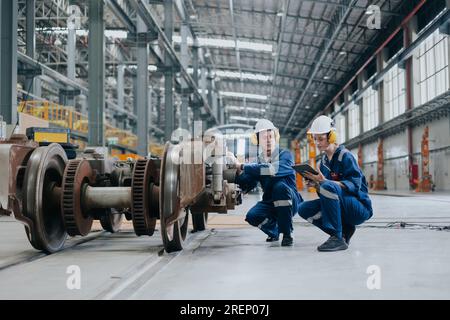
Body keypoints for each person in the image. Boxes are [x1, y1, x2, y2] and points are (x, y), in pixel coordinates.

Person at [298, 115, 373, 252]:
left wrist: (325, 182)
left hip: (359, 207)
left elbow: (354, 185)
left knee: (327, 186)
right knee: (303, 208)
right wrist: (316, 185)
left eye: (320, 139)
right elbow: (328, 195)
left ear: (331, 137)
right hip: (343, 205)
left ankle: (337, 237)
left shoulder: (345, 156)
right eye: (315, 139)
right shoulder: (324, 162)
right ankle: (345, 229)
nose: (317, 143)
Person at [230, 119, 303, 246]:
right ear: (257, 141)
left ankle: (287, 233)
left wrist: (242, 166)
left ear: (276, 137)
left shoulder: (285, 155)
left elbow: (271, 170)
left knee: (280, 187)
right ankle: (274, 231)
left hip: (290, 200)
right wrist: (233, 172)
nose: (268, 140)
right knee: (253, 216)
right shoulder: (259, 161)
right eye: (264, 137)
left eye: (271, 136)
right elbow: (248, 181)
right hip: (270, 202)